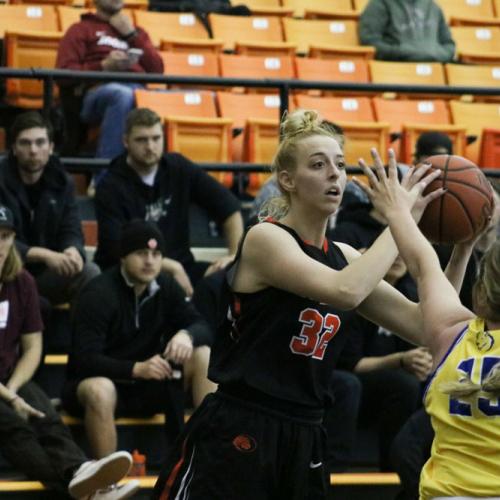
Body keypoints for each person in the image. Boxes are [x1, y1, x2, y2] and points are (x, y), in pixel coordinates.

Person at [152, 109, 468, 499]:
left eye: (338, 164)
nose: (334, 174)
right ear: (287, 180)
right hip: (244, 423)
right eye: (318, 165)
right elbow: (344, 292)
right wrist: (400, 220)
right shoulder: (266, 239)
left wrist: (462, 248)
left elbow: (427, 325)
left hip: (307, 430)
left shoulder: (347, 256)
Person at [354, 153, 500, 499]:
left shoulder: (453, 337)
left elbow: (423, 261)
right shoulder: (451, 332)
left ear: (484, 284)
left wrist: (398, 210)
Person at [0, 204, 139, 500]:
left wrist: (14, 388)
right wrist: (11, 398)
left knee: (47, 419)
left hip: (11, 375)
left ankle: (82, 473)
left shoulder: (21, 281)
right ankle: (88, 492)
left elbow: (33, 345)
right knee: (14, 427)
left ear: (13, 239)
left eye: (5, 236)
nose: (0, 244)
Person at [63, 219, 215, 460]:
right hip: (100, 386)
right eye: (141, 253)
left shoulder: (166, 286)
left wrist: (187, 335)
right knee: (99, 389)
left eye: (156, 254)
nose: (150, 261)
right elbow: (85, 359)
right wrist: (136, 369)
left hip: (149, 384)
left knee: (202, 353)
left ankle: (209, 460)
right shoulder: (98, 293)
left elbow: (203, 326)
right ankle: (107, 485)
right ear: (123, 256)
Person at [94, 107, 244, 296]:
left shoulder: (178, 167)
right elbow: (115, 247)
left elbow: (229, 207)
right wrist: (171, 267)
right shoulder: (110, 185)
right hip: (130, 274)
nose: (150, 146)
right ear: (126, 141)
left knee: (232, 277)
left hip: (183, 267)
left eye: (156, 138)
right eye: (141, 140)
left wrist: (234, 256)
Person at [0, 112, 99, 309]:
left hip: (44, 276)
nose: (33, 150)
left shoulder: (62, 181)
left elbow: (71, 228)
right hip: (7, 272)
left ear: (51, 147)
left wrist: (72, 251)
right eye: (25, 143)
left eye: (40, 142)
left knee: (89, 271)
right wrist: (44, 255)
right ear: (14, 148)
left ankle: (84, 339)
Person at [56, 0, 163, 160]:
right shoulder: (80, 29)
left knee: (190, 98)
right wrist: (103, 66)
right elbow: (63, 74)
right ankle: (106, 178)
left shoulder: (136, 32)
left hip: (137, 90)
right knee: (122, 95)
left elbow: (157, 70)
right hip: (97, 93)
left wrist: (131, 35)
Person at [359, 0, 455, 62]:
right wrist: (402, 53)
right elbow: (370, 42)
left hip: (434, 70)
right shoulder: (379, 4)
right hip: (397, 70)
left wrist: (435, 54)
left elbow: (448, 44)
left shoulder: (433, 6)